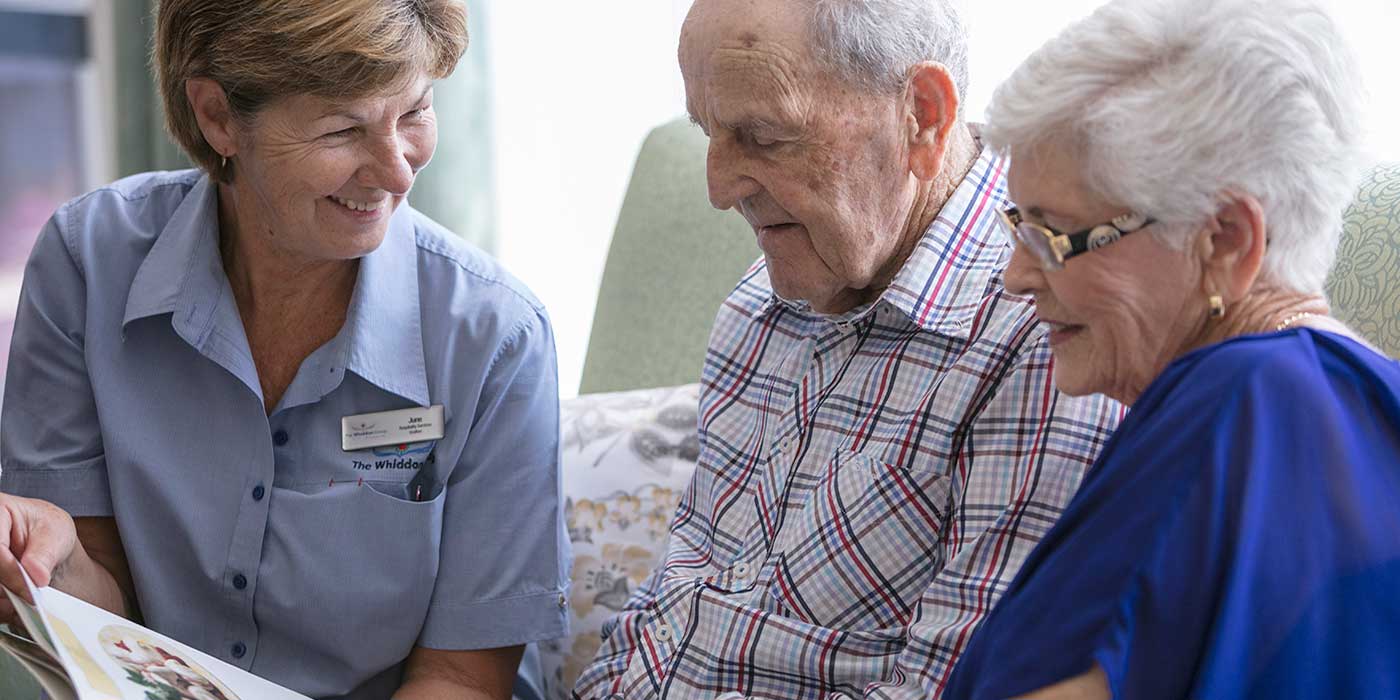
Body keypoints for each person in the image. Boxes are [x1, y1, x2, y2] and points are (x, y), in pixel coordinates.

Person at [0, 1, 569, 698]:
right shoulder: (88, 265)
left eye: (415, 113)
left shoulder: (498, 340)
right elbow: (108, 625)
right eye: (343, 129)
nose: (397, 173)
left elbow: (461, 680)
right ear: (217, 118)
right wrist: (48, 562)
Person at [572, 0, 1123, 696]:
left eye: (764, 136)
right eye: (708, 132)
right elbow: (667, 618)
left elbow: (955, 688)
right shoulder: (759, 303)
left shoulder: (1043, 336)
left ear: (922, 114)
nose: (717, 189)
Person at [943, 0, 1400, 697]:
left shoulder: (1242, 400)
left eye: (1053, 234)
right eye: (1017, 224)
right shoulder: (1363, 399)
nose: (1015, 275)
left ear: (1225, 241)